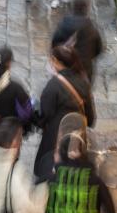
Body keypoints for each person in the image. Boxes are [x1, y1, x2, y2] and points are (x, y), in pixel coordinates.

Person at [33, 45, 95, 181]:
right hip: (77, 133)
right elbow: (90, 118)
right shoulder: (84, 83)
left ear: (56, 61)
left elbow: (45, 115)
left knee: (51, 165)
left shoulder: (53, 86)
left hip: (55, 136)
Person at [51, 0, 103, 84]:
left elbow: (54, 44)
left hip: (65, 68)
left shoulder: (64, 24)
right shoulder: (91, 28)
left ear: (73, 7)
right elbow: (98, 50)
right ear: (86, 9)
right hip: (84, 70)